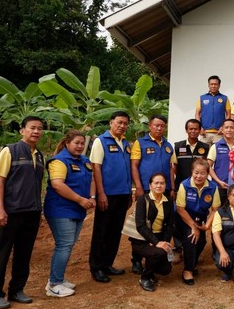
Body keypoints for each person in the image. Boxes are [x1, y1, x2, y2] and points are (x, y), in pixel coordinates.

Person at [0, 116, 45, 309]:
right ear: (22, 130)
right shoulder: (9, 150)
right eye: (32, 128)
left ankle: (17, 290)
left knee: (24, 253)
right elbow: (0, 182)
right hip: (12, 211)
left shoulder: (39, 155)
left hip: (33, 211)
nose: (36, 131)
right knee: (3, 252)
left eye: (39, 129)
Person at [44, 130, 96, 298]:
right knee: (64, 245)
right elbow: (58, 185)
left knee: (68, 244)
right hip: (61, 209)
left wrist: (92, 197)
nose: (80, 146)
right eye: (76, 143)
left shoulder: (84, 161)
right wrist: (81, 199)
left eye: (82, 143)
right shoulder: (58, 161)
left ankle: (58, 278)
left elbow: (93, 179)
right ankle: (54, 284)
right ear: (67, 143)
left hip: (77, 209)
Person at [89, 110, 132, 283]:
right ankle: (96, 267)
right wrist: (101, 194)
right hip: (107, 194)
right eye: (119, 122)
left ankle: (108, 264)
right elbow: (96, 168)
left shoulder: (126, 143)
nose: (122, 126)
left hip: (123, 194)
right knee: (102, 231)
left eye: (125, 123)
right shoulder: (101, 141)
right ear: (111, 123)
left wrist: (130, 192)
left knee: (115, 231)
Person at [130, 114, 175, 274]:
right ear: (150, 126)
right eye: (156, 125)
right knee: (142, 224)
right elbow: (134, 165)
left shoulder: (168, 146)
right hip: (146, 189)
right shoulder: (140, 143)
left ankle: (154, 253)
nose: (159, 128)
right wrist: (139, 188)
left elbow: (171, 168)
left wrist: (172, 188)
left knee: (160, 221)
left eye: (162, 126)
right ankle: (136, 260)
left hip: (164, 190)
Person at [175, 158, 220, 285]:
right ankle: (188, 270)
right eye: (196, 172)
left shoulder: (213, 187)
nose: (199, 176)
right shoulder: (184, 185)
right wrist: (194, 227)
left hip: (201, 218)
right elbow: (180, 208)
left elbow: (215, 209)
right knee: (191, 237)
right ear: (192, 172)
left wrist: (207, 225)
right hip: (184, 217)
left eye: (202, 173)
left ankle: (191, 263)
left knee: (202, 241)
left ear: (207, 174)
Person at [171, 119, 209, 265]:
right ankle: (178, 248)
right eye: (190, 129)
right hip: (181, 189)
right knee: (178, 218)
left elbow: (207, 168)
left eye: (196, 129)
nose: (193, 131)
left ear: (200, 130)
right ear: (186, 130)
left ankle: (195, 248)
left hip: (199, 191)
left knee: (199, 215)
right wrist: (173, 188)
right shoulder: (177, 146)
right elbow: (173, 169)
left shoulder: (205, 147)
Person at [129, 173, 175, 292]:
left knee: (166, 270)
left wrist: (164, 241)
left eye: (162, 183)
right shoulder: (142, 200)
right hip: (141, 239)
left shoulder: (169, 201)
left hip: (159, 237)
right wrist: (155, 242)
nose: (159, 185)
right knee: (158, 253)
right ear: (150, 185)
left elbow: (170, 225)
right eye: (156, 183)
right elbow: (140, 226)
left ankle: (151, 266)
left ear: (165, 186)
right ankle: (145, 277)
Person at [207, 118, 234, 201]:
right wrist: (218, 181)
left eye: (231, 128)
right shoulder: (215, 147)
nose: (229, 130)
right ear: (222, 130)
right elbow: (208, 167)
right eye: (226, 128)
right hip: (220, 186)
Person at [195, 75, 231, 146]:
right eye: (212, 84)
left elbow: (228, 114)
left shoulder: (224, 98)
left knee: (218, 155)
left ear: (219, 85)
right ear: (208, 85)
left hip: (219, 133)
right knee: (204, 155)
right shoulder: (202, 98)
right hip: (205, 132)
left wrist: (223, 128)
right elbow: (197, 114)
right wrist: (199, 128)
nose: (213, 86)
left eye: (215, 84)